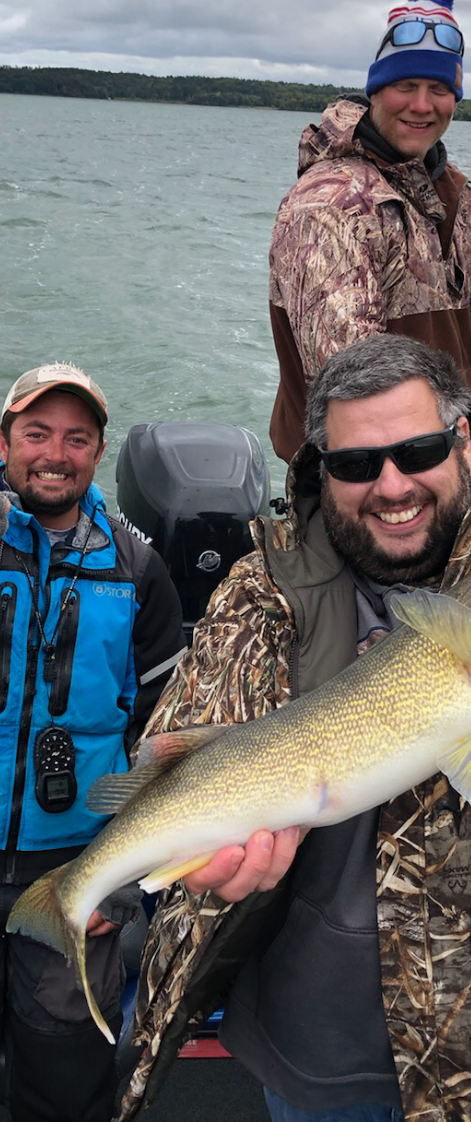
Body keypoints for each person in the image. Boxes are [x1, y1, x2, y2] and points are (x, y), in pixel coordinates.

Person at [119, 333, 471, 1122]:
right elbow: (182, 744)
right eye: (357, 464)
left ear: (464, 443)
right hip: (316, 1062)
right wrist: (207, 863)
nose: (392, 485)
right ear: (321, 470)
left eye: (418, 451)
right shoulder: (262, 588)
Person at [268, 0, 471, 463]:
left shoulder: (443, 188)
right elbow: (350, 371)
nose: (423, 105)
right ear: (377, 90)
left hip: (439, 456)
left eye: (439, 90)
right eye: (406, 86)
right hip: (354, 475)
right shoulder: (330, 204)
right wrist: (468, 420)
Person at [0, 361, 186, 1122]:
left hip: (75, 864)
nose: (56, 453)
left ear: (100, 453)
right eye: (36, 433)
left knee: (65, 1069)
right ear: (4, 442)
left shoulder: (140, 570)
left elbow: (166, 741)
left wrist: (122, 876)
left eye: (77, 438)